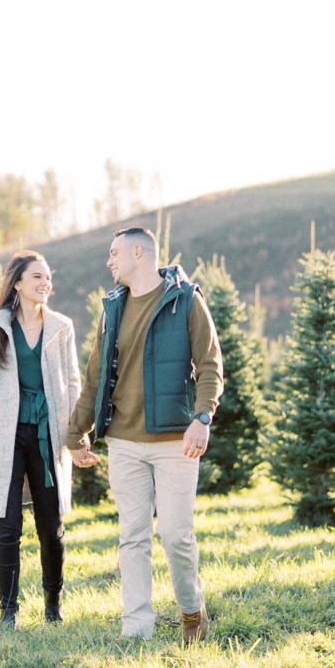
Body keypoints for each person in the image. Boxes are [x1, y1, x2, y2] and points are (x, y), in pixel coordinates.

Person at [68, 227, 224, 644]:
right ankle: (136, 628)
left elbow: (210, 365)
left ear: (139, 252)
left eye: (115, 252)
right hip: (124, 442)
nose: (109, 261)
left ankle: (192, 611)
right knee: (132, 537)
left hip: (176, 442)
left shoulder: (187, 300)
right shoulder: (113, 308)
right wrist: (75, 434)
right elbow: (95, 377)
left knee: (175, 535)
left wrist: (202, 418)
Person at [0, 251, 91, 629]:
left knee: (51, 526)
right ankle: (8, 611)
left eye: (48, 277)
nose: (44, 283)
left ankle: (53, 606)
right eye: (37, 277)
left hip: (47, 435)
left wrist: (76, 436)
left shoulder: (61, 326)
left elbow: (72, 383)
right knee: (7, 528)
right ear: (17, 283)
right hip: (5, 436)